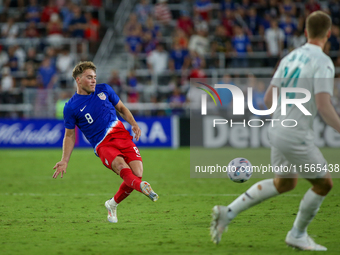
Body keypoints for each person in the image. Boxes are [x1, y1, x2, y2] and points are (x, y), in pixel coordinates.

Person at [210, 11, 340, 251]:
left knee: (285, 183)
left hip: (278, 129)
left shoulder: (289, 58)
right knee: (324, 185)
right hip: (296, 134)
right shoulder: (323, 61)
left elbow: (269, 99)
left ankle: (227, 213)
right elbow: (324, 105)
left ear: (305, 32)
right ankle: (297, 234)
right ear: (328, 34)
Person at [52, 61, 159, 223]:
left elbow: (122, 108)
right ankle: (143, 188)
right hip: (103, 145)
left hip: (123, 137)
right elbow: (69, 136)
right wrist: (64, 160)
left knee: (136, 174)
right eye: (89, 77)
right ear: (78, 80)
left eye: (94, 77)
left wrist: (134, 124)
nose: (94, 80)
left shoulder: (104, 89)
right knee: (123, 168)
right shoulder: (71, 107)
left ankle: (112, 204)